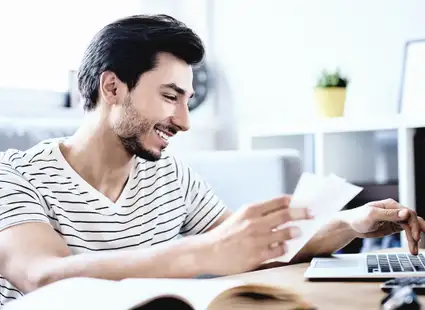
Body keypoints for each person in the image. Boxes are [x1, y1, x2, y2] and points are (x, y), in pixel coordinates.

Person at [0, 14, 423, 306]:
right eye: (169, 97)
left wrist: (349, 223)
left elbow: (257, 246)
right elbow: (41, 276)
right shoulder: (15, 174)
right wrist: (203, 254)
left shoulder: (171, 177)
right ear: (112, 87)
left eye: (187, 101)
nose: (182, 121)